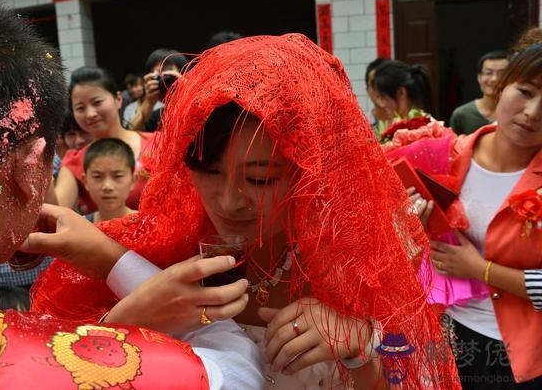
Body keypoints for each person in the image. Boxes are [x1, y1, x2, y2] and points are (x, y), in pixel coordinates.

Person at [32, 34, 460, 389]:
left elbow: (425, 364)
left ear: (311, 169)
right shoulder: (164, 242)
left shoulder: (365, 254)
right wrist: (129, 316)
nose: (229, 200)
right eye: (207, 171)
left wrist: (364, 343)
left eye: (260, 179)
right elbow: (55, 365)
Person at [0, 0, 263, 390]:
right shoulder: (48, 369)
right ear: (28, 169)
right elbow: (239, 371)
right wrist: (116, 269)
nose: (229, 199)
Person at [394, 45, 542, 387]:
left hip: (522, 353)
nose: (532, 112)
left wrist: (481, 270)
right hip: (445, 335)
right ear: (500, 85)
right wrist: (409, 224)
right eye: (525, 92)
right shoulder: (442, 156)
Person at [54, 67, 153, 213]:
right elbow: (55, 214)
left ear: (118, 99)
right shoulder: (75, 161)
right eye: (80, 108)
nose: (90, 114)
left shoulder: (159, 143)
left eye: (97, 102)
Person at [124, 48, 188, 132]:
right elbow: (129, 136)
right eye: (158, 77)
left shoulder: (199, 104)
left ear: (184, 75)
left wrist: (187, 91)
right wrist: (149, 102)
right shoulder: (157, 116)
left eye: (167, 76)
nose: (163, 81)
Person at [449, 51, 509, 135]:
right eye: (488, 73)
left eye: (501, 74)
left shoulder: (515, 114)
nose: (494, 79)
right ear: (479, 77)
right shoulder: (462, 115)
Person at [82, 138, 136, 223]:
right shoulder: (80, 227)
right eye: (97, 176)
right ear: (85, 181)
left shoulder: (148, 226)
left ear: (133, 180)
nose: (107, 186)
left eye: (117, 176)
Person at [364, 58, 392, 135]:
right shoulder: (362, 126)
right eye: (373, 85)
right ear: (367, 90)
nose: (380, 90)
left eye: (384, 84)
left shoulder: (409, 124)